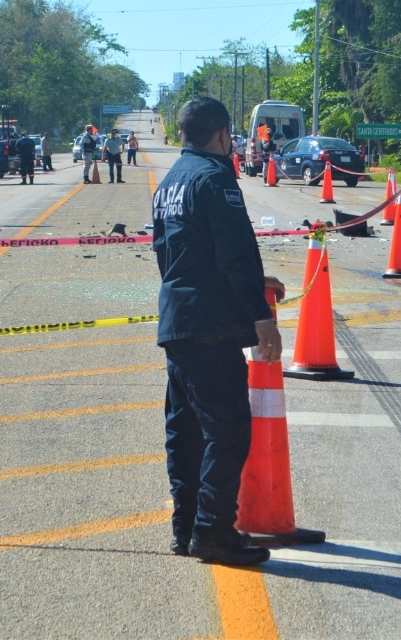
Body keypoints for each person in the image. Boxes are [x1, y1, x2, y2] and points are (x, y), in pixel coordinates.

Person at [152, 96, 285, 566]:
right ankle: (213, 532)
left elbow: (179, 254)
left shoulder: (169, 181)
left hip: (178, 320)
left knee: (186, 433)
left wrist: (254, 281)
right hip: (211, 324)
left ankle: (185, 528)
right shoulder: (215, 178)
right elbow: (232, 253)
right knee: (228, 432)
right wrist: (261, 317)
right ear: (223, 134)